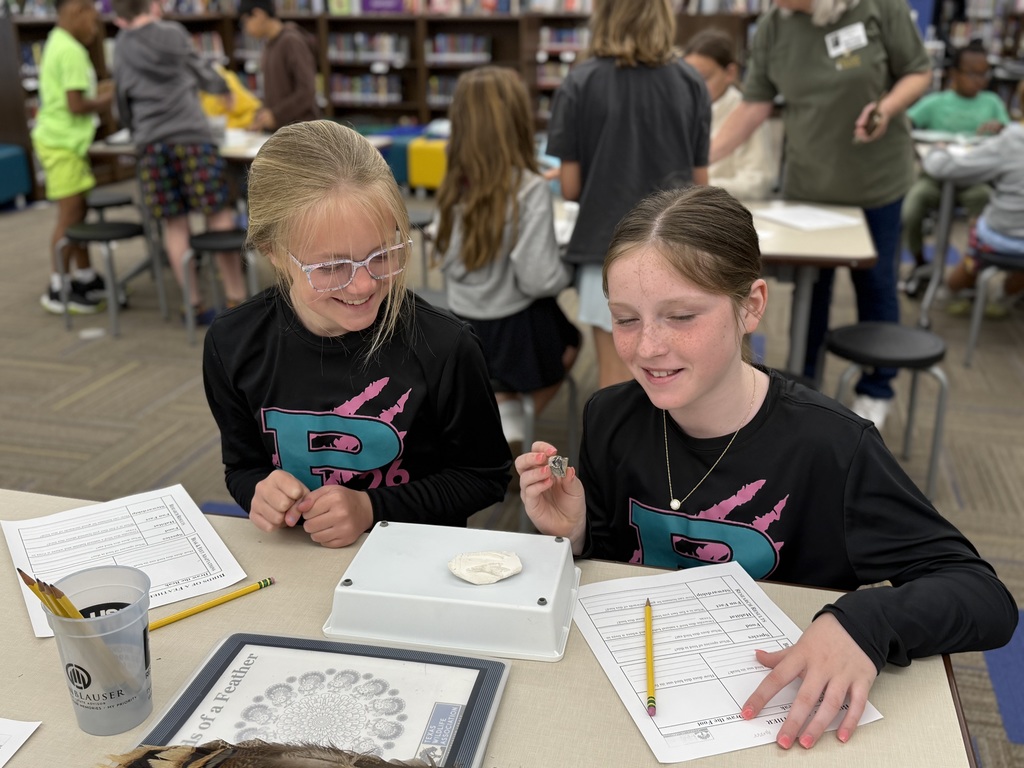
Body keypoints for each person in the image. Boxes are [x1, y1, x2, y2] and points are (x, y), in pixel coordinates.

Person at [516, 184, 1017, 752]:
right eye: (625, 320)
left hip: (778, 715)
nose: (648, 347)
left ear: (751, 305)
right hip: (642, 698)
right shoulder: (609, 415)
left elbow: (985, 598)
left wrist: (863, 622)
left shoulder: (832, 447)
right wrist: (578, 531)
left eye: (681, 316)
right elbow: (616, 561)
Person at [202, 120, 512, 548]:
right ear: (272, 250)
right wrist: (259, 491)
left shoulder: (445, 347)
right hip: (298, 562)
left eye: (383, 254)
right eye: (331, 267)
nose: (364, 285)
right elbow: (242, 466)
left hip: (416, 561)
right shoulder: (232, 344)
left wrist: (371, 509)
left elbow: (485, 477)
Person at [710, 0, 933, 430]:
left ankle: (877, 389)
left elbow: (918, 71)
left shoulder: (877, 9)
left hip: (876, 183)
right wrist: (701, 161)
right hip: (809, 185)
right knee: (812, 290)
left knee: (875, 281)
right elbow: (754, 105)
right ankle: (806, 386)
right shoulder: (776, 23)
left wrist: (885, 108)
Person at [546, 0, 710, 390]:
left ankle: (613, 454)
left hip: (606, 249)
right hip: (677, 248)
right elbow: (700, 185)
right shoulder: (690, 80)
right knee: (676, 373)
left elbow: (570, 186)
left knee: (616, 380)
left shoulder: (580, 81)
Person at [433, 66, 580, 447]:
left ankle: (504, 413)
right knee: (572, 340)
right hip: (516, 331)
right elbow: (537, 278)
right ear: (517, 120)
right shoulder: (528, 188)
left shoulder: (453, 183)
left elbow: (446, 257)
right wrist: (569, 267)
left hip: (463, 326)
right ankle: (509, 427)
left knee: (503, 375)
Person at [112, 0, 248, 324]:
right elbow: (200, 69)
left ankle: (193, 305)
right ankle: (236, 297)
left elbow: (121, 97)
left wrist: (136, 130)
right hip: (192, 138)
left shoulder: (121, 45)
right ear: (153, 6)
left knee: (175, 224)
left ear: (120, 16)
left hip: (151, 144)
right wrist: (221, 89)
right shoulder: (172, 32)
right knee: (218, 215)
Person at [901, 40, 1010, 295]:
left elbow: (1009, 137)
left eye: (984, 74)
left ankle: (969, 272)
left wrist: (1000, 129)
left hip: (974, 180)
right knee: (911, 208)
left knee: (985, 207)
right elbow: (907, 122)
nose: (979, 80)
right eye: (972, 73)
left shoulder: (992, 103)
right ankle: (919, 263)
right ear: (954, 74)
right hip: (935, 179)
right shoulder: (937, 102)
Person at [31, 0, 114, 315]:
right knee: (69, 215)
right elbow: (76, 105)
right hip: (62, 143)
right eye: (92, 15)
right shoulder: (71, 51)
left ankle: (84, 277)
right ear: (76, 10)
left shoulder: (58, 41)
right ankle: (57, 286)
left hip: (64, 143)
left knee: (79, 213)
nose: (95, 22)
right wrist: (108, 97)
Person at [923, 122, 1024, 316]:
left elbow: (945, 167)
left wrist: (937, 150)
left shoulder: (1012, 141)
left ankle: (954, 290)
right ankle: (1005, 296)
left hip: (1003, 238)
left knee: (979, 226)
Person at [683, 28, 779, 200]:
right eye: (688, 80)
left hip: (727, 212)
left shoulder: (747, 114)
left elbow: (758, 183)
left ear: (730, 73)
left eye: (704, 79)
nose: (694, 88)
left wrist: (700, 187)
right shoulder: (683, 110)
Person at [237, 0, 320, 132]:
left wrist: (275, 115)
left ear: (258, 14)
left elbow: (307, 90)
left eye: (245, 22)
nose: (246, 29)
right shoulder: (269, 45)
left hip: (302, 133)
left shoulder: (291, 40)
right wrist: (263, 116)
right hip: (283, 131)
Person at [200, 63, 262, 131]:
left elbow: (254, 110)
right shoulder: (198, 87)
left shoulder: (227, 81)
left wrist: (232, 125)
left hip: (230, 134)